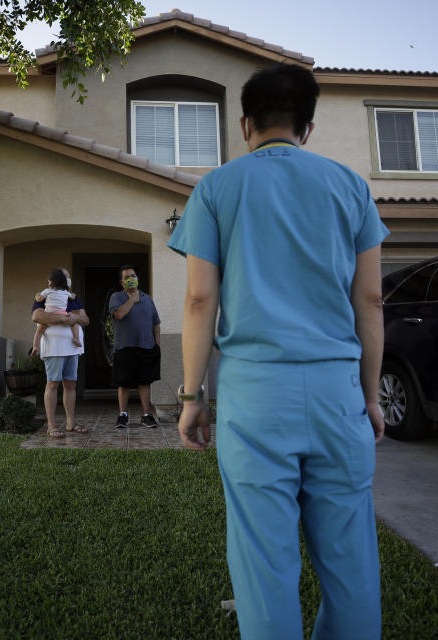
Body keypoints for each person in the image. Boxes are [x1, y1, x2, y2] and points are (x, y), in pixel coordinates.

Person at [167, 63, 389, 640]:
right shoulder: (350, 186)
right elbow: (370, 301)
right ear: (307, 127)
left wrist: (192, 397)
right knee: (352, 565)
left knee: (263, 565)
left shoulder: (217, 187)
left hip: (255, 394)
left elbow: (197, 300)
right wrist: (371, 398)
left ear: (245, 124)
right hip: (339, 395)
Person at [30, 267, 89, 438]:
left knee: (70, 385)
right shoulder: (46, 295)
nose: (69, 278)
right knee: (53, 384)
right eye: (66, 276)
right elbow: (38, 317)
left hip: (72, 346)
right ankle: (52, 426)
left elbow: (84, 319)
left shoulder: (72, 297)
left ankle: (71, 423)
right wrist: (63, 318)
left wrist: (74, 317)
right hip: (54, 346)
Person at [108, 265, 161, 429]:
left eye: (133, 275)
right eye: (127, 277)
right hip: (124, 347)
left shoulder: (148, 298)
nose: (131, 279)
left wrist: (157, 345)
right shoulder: (116, 297)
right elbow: (118, 315)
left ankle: (146, 415)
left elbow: (156, 323)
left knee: (145, 382)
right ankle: (123, 415)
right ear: (122, 282)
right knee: (123, 384)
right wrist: (131, 299)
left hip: (146, 347)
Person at [33, 268, 81, 353]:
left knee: (39, 331)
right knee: (74, 324)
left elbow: (39, 299)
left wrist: (37, 295)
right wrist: (73, 294)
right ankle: (76, 338)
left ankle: (35, 346)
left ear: (53, 282)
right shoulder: (65, 293)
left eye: (49, 282)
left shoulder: (47, 291)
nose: (48, 284)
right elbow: (73, 297)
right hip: (62, 315)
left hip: (49, 315)